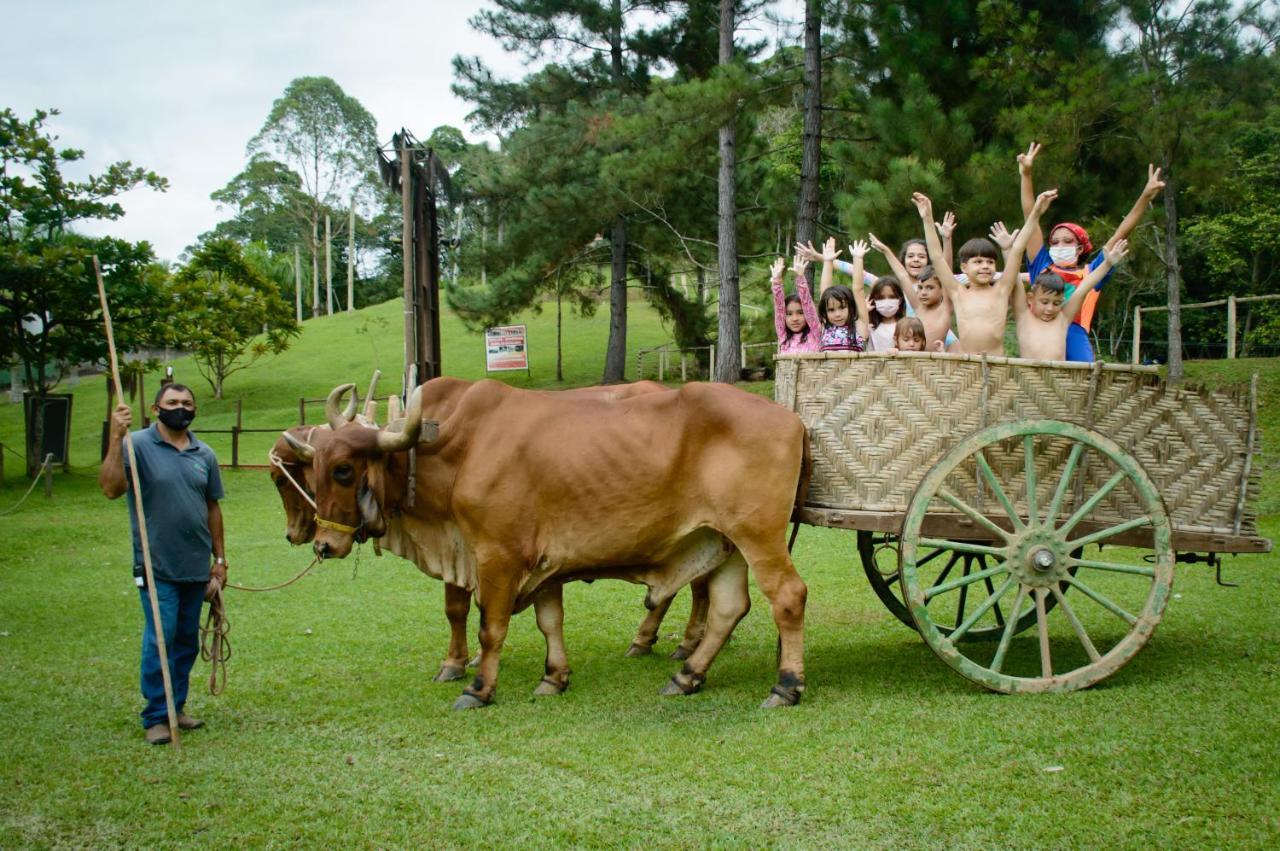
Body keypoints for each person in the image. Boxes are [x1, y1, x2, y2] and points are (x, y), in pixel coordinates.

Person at [99, 383, 226, 745]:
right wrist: (115, 437)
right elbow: (110, 488)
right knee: (161, 638)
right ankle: (157, 716)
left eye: (187, 403)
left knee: (185, 640)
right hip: (156, 566)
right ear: (156, 408)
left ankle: (177, 707)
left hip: (196, 565)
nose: (180, 408)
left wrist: (220, 560)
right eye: (172, 403)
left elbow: (213, 507)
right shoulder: (136, 444)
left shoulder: (204, 454)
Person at [1017, 141, 1165, 361]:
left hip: (1074, 331)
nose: (1059, 246)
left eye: (1067, 241)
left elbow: (1121, 233)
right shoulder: (1042, 265)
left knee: (1084, 378)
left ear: (1079, 248)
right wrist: (1026, 174)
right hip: (1039, 330)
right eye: (1055, 242)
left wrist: (1144, 197)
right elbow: (1031, 216)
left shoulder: (1091, 272)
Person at [913, 188, 1057, 356]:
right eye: (978, 262)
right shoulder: (957, 292)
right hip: (966, 364)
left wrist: (1036, 214)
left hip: (996, 365)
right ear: (964, 267)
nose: (985, 266)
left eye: (990, 262)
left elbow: (1017, 250)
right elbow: (936, 257)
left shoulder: (1002, 289)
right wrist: (927, 219)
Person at [1012, 240, 1130, 360]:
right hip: (1028, 377)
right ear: (1030, 298)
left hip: (1058, 377)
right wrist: (1007, 250)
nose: (1050, 308)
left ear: (1063, 301)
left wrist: (1107, 264)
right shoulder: (1024, 317)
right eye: (1044, 302)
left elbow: (1084, 287)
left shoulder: (1062, 320)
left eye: (1057, 303)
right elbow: (1015, 278)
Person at [867, 233, 958, 352]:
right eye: (920, 288)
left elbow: (946, 270)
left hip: (934, 363)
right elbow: (902, 275)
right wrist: (886, 251)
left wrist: (947, 240)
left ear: (942, 289)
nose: (923, 292)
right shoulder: (918, 307)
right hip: (911, 360)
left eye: (929, 288)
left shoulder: (944, 309)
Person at [817, 242, 870, 352]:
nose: (837, 314)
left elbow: (858, 290)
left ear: (850, 306)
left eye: (842, 307)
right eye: (831, 310)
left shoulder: (859, 326)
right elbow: (824, 291)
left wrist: (858, 259)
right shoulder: (825, 327)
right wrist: (827, 261)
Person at [771, 254, 821, 354]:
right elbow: (779, 308)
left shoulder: (815, 333)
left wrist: (800, 278)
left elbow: (808, 305)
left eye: (800, 313)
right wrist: (777, 282)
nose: (795, 319)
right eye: (789, 314)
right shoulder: (783, 337)